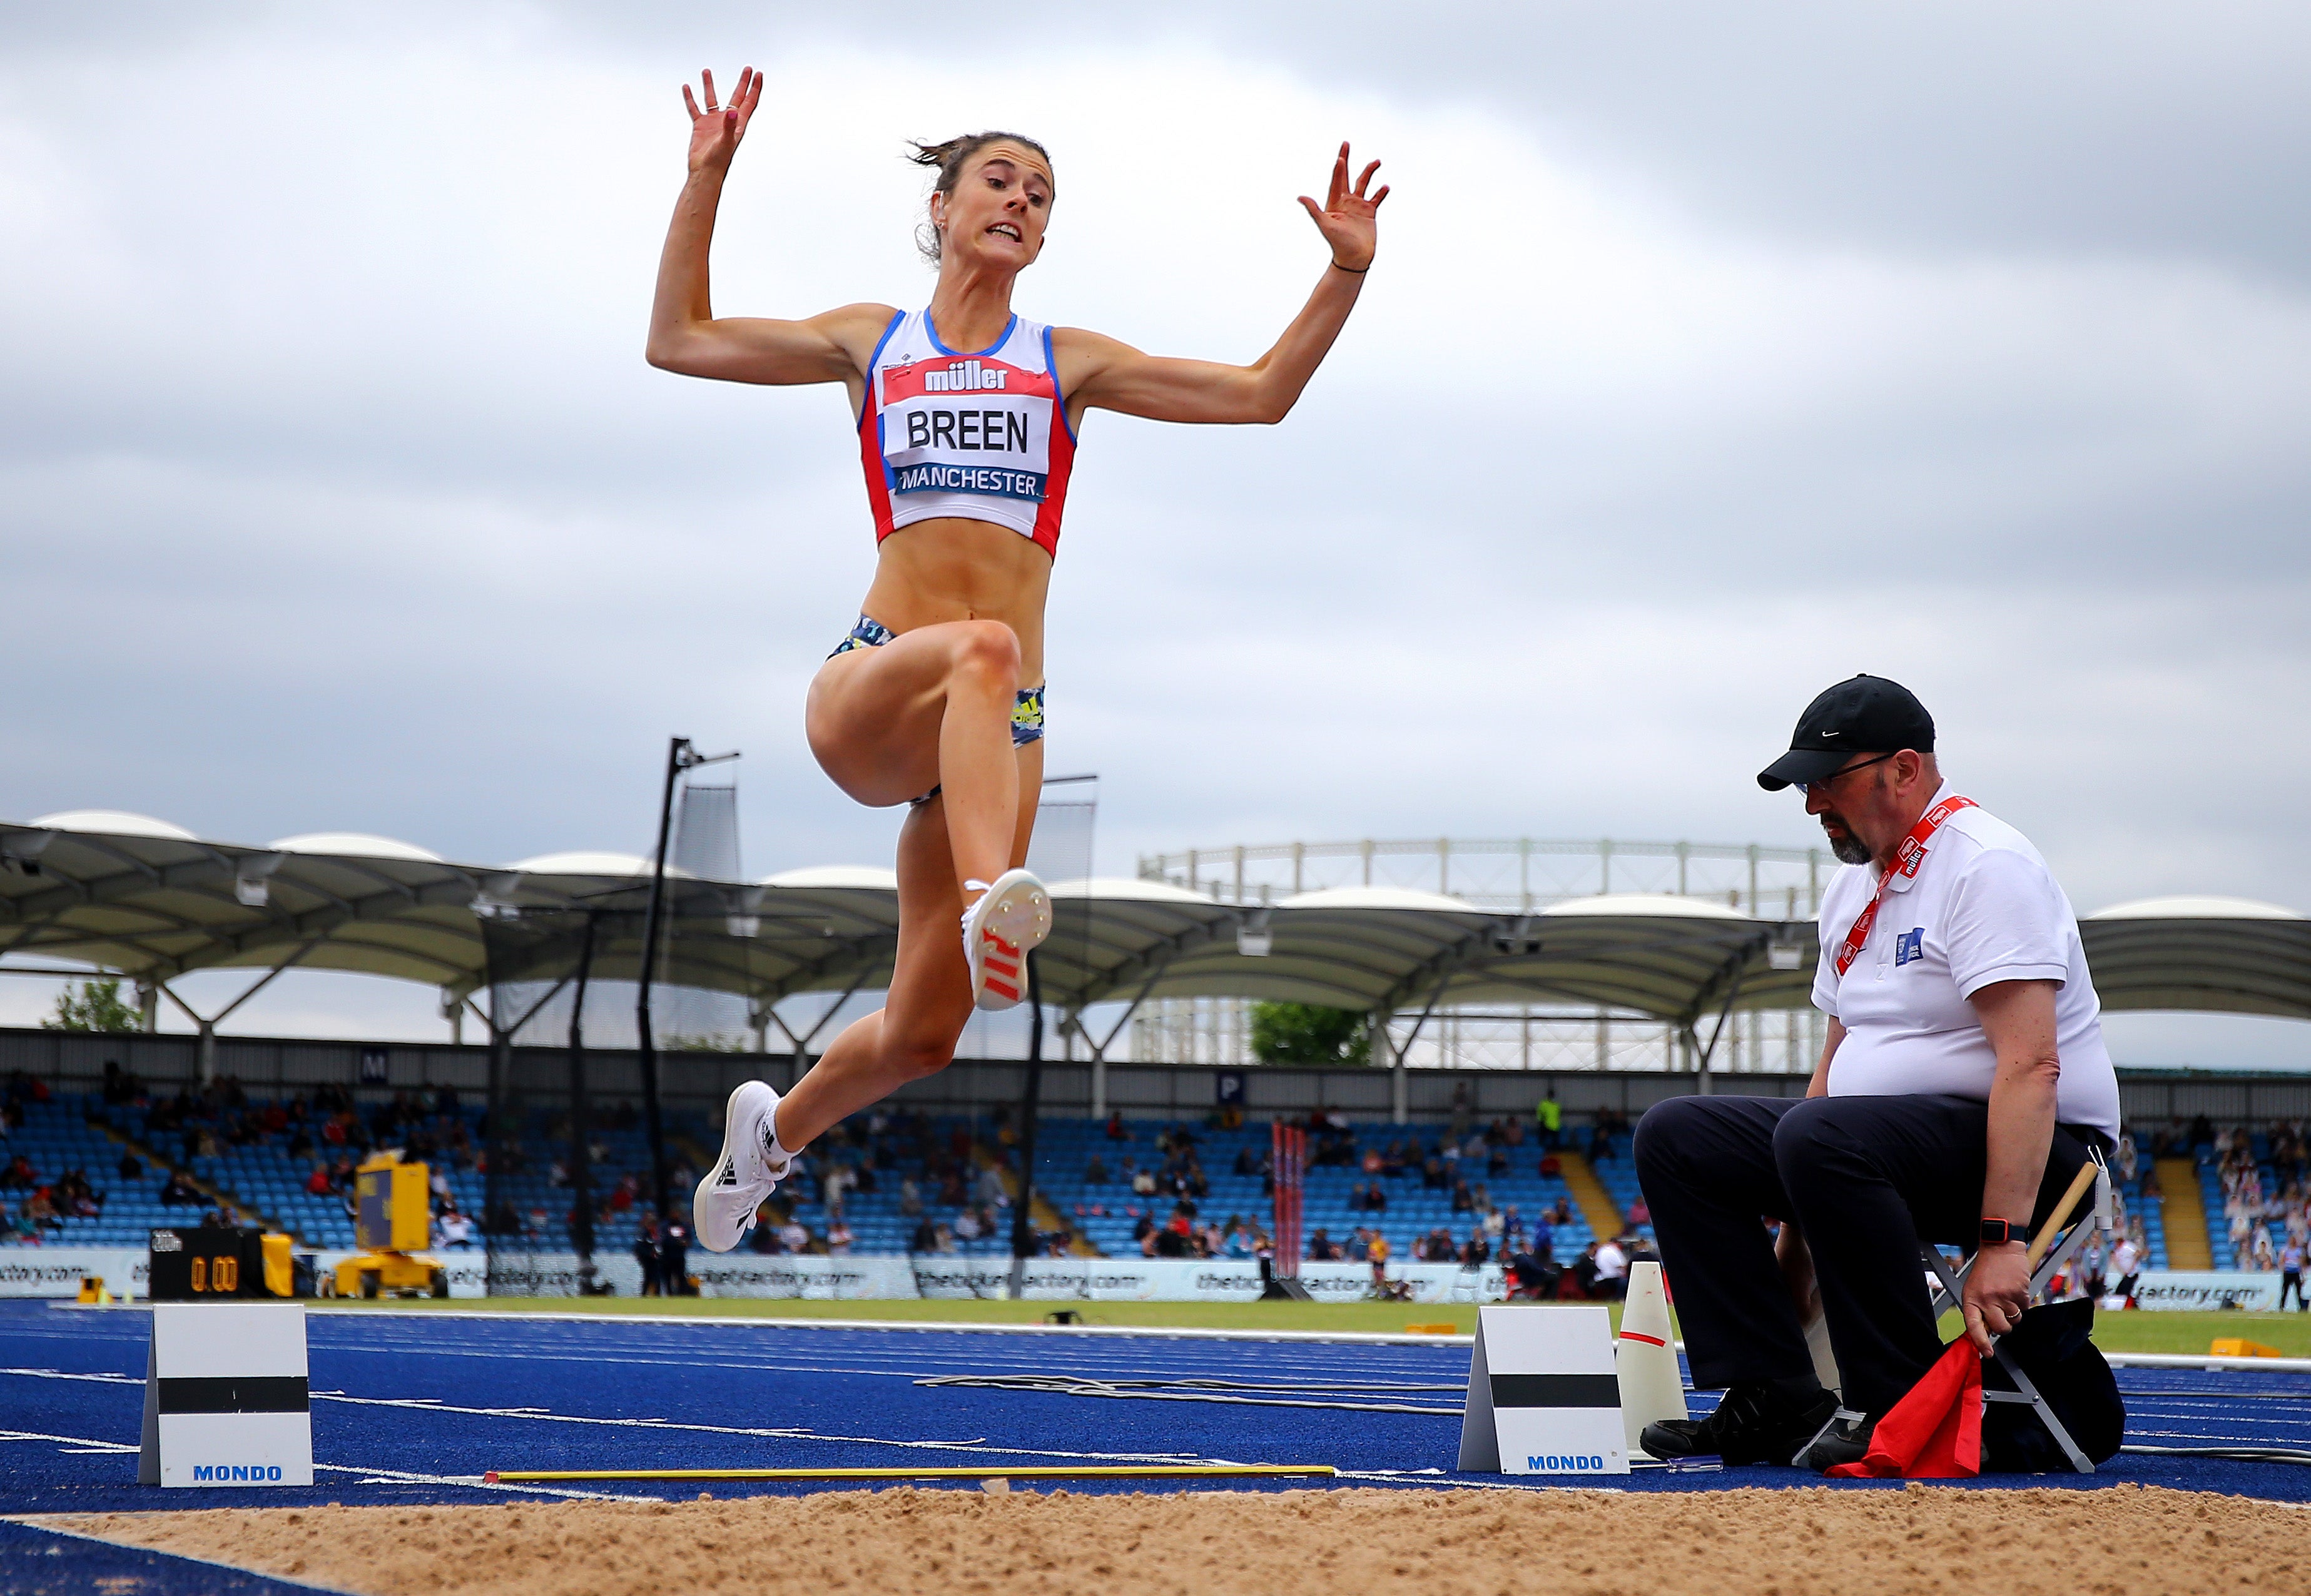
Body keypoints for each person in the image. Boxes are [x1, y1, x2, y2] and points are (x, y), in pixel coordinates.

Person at [653, 71, 1389, 1254]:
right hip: (878, 682)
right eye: (998, 179)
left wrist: (1343, 270)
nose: (1021, 202)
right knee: (985, 647)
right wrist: (706, 177)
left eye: (1041, 195)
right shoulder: (867, 342)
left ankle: (768, 1141)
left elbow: (1260, 396)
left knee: (921, 1036)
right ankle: (992, 894)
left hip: (998, 734)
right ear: (939, 210)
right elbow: (676, 339)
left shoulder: (1066, 361)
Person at [1634, 675, 2122, 1471]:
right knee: (1680, 1133)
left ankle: (1897, 1403)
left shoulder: (1985, 867)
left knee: (1828, 1136)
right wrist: (1788, 1297)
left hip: (2040, 1158)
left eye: (1828, 782)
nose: (1811, 804)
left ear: (1904, 768)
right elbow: (1830, 1081)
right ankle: (1774, 1395)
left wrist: (2003, 1240)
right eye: (1804, 785)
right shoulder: (1852, 888)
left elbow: (2032, 1065)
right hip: (1864, 1147)